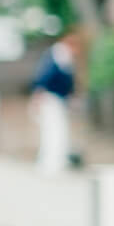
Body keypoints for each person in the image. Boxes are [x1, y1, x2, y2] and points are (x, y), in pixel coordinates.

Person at [30, 32, 79, 174]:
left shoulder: (61, 57)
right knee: (53, 131)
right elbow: (44, 78)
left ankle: (55, 161)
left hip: (56, 100)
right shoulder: (58, 56)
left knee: (56, 131)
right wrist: (37, 96)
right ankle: (51, 163)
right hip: (50, 99)